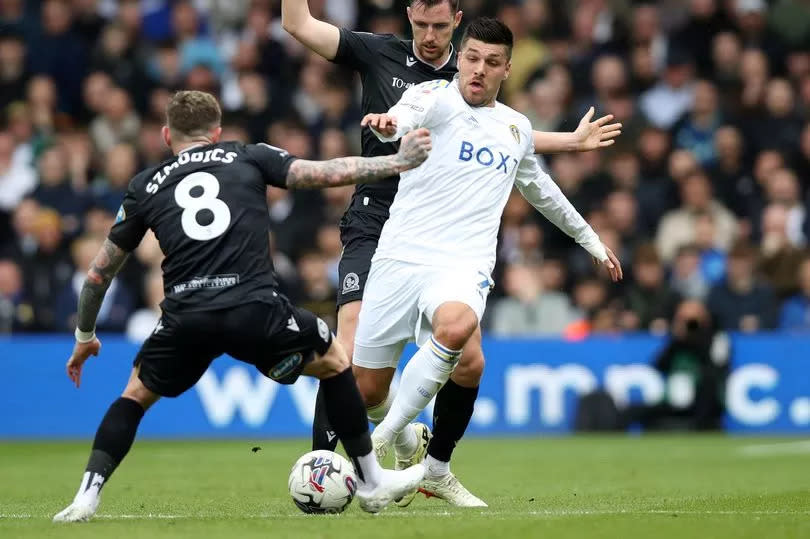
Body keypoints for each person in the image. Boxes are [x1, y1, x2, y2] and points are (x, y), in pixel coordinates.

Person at [281, 0, 622, 506]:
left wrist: (570, 149)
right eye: (421, 24)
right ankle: (359, 453)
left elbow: (507, 138)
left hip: (453, 245)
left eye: (440, 26)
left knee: (468, 353)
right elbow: (401, 109)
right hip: (382, 220)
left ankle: (417, 465)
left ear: (458, 27)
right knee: (358, 371)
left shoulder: (486, 98)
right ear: (409, 16)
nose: (429, 35)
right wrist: (387, 125)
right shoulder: (392, 63)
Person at [52, 90, 433, 523]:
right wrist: (396, 162)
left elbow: (99, 274)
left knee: (134, 396)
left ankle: (86, 496)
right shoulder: (248, 156)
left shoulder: (146, 185)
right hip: (254, 308)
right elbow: (323, 173)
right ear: (216, 133)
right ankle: (370, 480)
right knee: (334, 360)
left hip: (185, 315)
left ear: (165, 136)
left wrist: (85, 335)